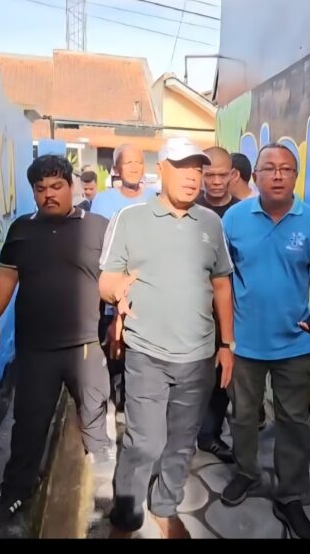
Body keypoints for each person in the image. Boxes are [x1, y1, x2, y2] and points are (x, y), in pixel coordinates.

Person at [100, 137, 236, 539]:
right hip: (147, 352)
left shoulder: (211, 223)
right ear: (161, 170)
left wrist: (227, 345)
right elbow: (107, 278)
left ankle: (164, 506)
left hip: (198, 356)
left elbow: (222, 285)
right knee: (144, 442)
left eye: (198, 169)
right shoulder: (130, 218)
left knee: (181, 442)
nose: (193, 177)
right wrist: (116, 293)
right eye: (183, 168)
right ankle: (126, 518)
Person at [0, 155, 114, 529]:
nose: (49, 195)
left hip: (85, 345)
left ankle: (108, 490)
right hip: (36, 348)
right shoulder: (22, 229)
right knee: (28, 425)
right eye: (41, 189)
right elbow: (7, 276)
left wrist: (119, 319)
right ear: (34, 192)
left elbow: (117, 276)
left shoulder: (97, 227)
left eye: (56, 186)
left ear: (71, 186)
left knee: (94, 419)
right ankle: (15, 491)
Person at [220, 143, 310, 539]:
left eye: (286, 169)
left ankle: (289, 495)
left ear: (295, 177)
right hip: (244, 343)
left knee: (294, 422)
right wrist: (225, 338)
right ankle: (247, 473)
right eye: (269, 168)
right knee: (243, 416)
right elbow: (221, 278)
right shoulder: (234, 219)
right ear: (255, 176)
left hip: (294, 342)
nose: (277, 175)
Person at [89, 144, 157, 413]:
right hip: (112, 291)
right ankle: (112, 406)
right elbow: (98, 248)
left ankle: (134, 406)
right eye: (128, 163)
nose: (134, 168)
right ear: (116, 169)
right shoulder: (102, 201)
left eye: (139, 162)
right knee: (112, 352)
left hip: (145, 291)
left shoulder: (154, 198)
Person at [194, 146, 240, 463]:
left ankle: (209, 435)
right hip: (192, 306)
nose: (215, 181)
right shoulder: (189, 208)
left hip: (230, 307)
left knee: (222, 374)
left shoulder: (243, 213)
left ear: (232, 175)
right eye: (208, 175)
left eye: (221, 174)